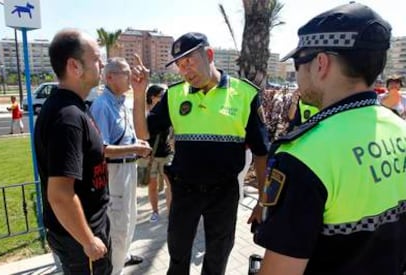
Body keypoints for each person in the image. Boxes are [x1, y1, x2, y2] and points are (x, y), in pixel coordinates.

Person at [251, 3, 406, 275]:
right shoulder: (399, 128)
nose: (296, 75)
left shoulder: (303, 155)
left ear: (321, 63)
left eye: (298, 63)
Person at [132, 32, 269, 275]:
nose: (185, 71)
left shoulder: (245, 94)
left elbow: (261, 153)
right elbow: (143, 133)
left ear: (209, 54)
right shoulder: (174, 95)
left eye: (189, 62)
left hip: (224, 193)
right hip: (185, 191)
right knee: (178, 257)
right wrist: (139, 93)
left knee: (217, 258)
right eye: (180, 66)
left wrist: (261, 200)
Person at [34, 29, 112, 274]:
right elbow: (59, 194)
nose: (102, 64)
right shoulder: (66, 117)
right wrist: (88, 241)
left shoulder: (74, 107)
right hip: (81, 240)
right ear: (74, 66)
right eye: (97, 59)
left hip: (87, 230)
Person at [89, 57, 151, 274]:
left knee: (130, 217)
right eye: (126, 73)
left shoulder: (123, 101)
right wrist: (134, 148)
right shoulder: (102, 105)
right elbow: (102, 149)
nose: (131, 76)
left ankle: (122, 257)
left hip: (128, 167)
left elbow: (141, 133)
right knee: (118, 224)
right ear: (109, 77)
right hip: (115, 170)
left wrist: (141, 91)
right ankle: (115, 269)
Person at [138, 84, 173, 222]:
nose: (164, 99)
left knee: (170, 185)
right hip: (150, 157)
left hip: (166, 154)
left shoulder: (166, 113)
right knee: (152, 186)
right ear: (152, 98)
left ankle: (171, 213)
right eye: (161, 96)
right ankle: (155, 212)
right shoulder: (144, 115)